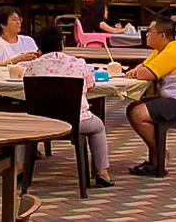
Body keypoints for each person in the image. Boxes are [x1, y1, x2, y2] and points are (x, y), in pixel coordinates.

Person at [25, 26, 115, 187]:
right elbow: (90, 85)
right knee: (98, 127)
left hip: (40, 119)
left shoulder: (32, 66)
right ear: (62, 43)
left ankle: (19, 167)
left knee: (22, 126)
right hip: (75, 119)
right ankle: (102, 172)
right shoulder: (77, 63)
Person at [123, 15, 176, 177]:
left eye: (150, 31)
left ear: (162, 36)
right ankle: (156, 158)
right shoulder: (161, 50)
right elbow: (143, 66)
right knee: (133, 107)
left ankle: (160, 156)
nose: (147, 34)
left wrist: (136, 72)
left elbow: (146, 73)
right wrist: (136, 71)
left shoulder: (171, 52)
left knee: (138, 114)